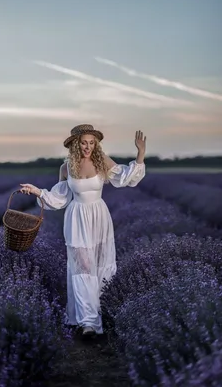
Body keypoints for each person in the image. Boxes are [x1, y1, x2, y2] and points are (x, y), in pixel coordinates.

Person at [20, 124, 146, 338]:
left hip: (99, 216)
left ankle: (104, 312)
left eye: (91, 142)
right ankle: (88, 322)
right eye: (84, 142)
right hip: (77, 218)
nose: (88, 147)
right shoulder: (66, 167)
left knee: (101, 265)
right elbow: (59, 198)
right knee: (83, 267)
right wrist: (37, 191)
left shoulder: (102, 161)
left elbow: (126, 178)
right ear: (75, 144)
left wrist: (140, 154)